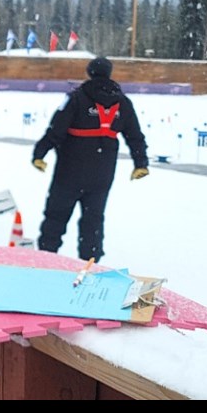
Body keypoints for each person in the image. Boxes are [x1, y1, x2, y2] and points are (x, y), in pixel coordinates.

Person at [32, 56, 149, 262]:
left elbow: (56, 129)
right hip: (102, 173)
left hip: (70, 170)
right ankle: (91, 263)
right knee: (93, 220)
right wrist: (141, 163)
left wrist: (39, 154)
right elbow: (135, 135)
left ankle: (46, 258)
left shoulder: (76, 98)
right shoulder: (122, 102)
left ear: (89, 72)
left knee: (56, 215)